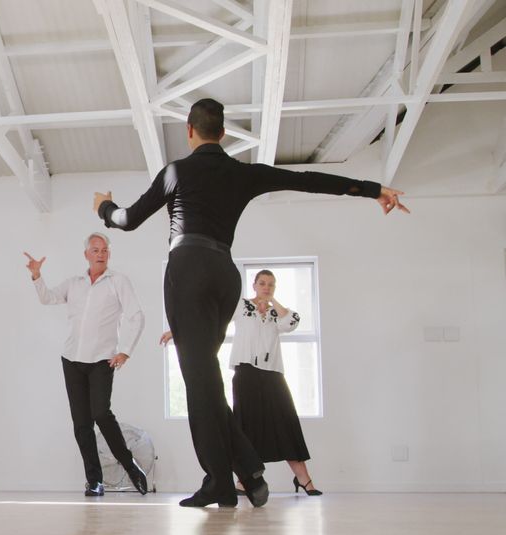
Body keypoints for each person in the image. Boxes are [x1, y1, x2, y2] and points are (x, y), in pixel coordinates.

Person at [93, 98, 408, 508]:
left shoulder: (176, 171)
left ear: (190, 130)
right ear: (222, 134)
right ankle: (248, 471)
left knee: (200, 384)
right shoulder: (243, 172)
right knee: (206, 382)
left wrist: (103, 206)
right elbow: (308, 180)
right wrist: (373, 190)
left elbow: (127, 219)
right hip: (225, 274)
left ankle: (221, 481)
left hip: (187, 270)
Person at [161, 269, 323, 496]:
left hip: (273, 375)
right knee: (246, 428)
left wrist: (272, 301)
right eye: (263, 283)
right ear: (254, 285)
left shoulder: (277, 314)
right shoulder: (243, 307)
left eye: (271, 285)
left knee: (286, 423)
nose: (266, 288)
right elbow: (211, 318)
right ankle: (244, 481)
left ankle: (304, 479)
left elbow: (292, 322)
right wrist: (177, 331)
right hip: (246, 375)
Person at [25, 232, 150, 497]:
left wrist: (125, 351)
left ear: (109, 254)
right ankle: (95, 481)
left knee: (101, 414)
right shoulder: (75, 283)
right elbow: (47, 298)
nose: (101, 254)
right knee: (81, 424)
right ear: (86, 254)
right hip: (72, 360)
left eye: (105, 250)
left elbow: (136, 316)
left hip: (102, 360)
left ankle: (130, 465)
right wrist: (37, 276)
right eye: (95, 250)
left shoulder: (118, 282)